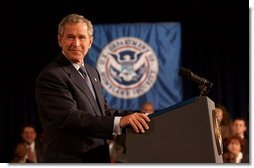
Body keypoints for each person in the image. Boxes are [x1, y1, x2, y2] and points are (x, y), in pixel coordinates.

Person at [35, 13, 150, 163]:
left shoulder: (92, 72)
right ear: (60, 40)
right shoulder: (51, 76)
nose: (76, 43)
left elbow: (103, 111)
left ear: (90, 41)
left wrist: (139, 116)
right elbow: (72, 118)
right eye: (70, 37)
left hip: (97, 158)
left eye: (81, 37)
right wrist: (119, 122)